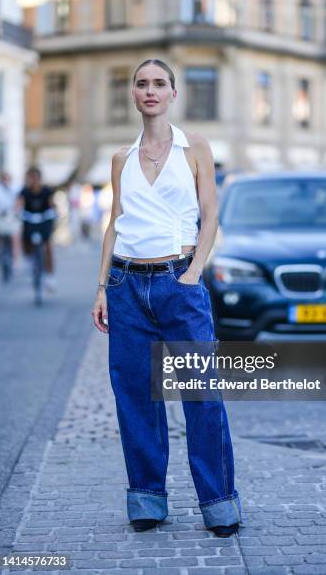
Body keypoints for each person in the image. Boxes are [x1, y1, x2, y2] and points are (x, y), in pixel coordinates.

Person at [91, 59, 242, 537]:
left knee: (202, 395)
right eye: (142, 84)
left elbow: (211, 216)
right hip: (127, 286)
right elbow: (115, 223)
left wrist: (194, 273)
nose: (150, 90)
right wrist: (100, 287)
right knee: (135, 395)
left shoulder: (194, 147)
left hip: (180, 281)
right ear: (133, 95)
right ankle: (147, 499)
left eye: (159, 83)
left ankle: (219, 503)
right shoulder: (121, 159)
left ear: (173, 93)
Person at [18, 167, 57, 291]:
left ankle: (50, 276)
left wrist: (54, 212)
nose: (34, 180)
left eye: (36, 177)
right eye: (31, 178)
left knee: (48, 246)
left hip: (43, 220)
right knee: (24, 238)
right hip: (29, 220)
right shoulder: (25, 191)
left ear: (40, 178)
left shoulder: (46, 191)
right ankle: (28, 258)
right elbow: (19, 204)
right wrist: (17, 212)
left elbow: (52, 205)